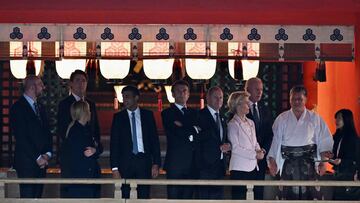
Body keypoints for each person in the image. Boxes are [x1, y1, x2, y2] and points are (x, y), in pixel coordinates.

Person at [267, 85, 334, 200]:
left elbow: (324, 140)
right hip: (288, 164)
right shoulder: (282, 118)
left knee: (311, 196)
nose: (296, 102)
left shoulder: (315, 118)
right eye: (293, 99)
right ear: (289, 99)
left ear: (305, 100)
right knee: (287, 196)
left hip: (309, 164)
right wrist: (272, 161)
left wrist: (323, 162)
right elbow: (275, 141)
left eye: (300, 99)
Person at [57, 69, 103, 197]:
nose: (80, 84)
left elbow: (96, 129)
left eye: (83, 81)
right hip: (74, 158)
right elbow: (62, 130)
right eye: (77, 80)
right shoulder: (64, 104)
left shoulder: (91, 104)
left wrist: (96, 147)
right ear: (71, 84)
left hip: (90, 157)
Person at [110, 85, 161, 199]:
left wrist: (156, 163)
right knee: (125, 196)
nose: (124, 100)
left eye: (127, 97)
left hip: (144, 162)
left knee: (144, 195)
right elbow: (114, 144)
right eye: (123, 97)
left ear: (136, 98)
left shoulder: (147, 115)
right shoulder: (118, 117)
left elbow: (154, 140)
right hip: (125, 163)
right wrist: (114, 168)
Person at [10, 75, 52, 198]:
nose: (43, 87)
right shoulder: (17, 108)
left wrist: (47, 154)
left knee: (38, 197)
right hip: (26, 163)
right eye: (40, 84)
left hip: (42, 162)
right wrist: (38, 157)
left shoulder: (41, 107)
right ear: (32, 87)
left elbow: (47, 133)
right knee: (27, 198)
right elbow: (21, 137)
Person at [162, 80, 200, 199]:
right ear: (172, 94)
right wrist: (193, 129)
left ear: (188, 94)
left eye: (184, 91)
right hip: (175, 164)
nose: (182, 93)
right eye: (178, 91)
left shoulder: (195, 113)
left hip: (192, 163)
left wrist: (184, 127)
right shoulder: (167, 113)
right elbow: (176, 132)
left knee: (188, 199)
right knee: (174, 198)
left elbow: (199, 132)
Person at [227, 91, 265, 200]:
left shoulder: (251, 122)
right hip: (239, 169)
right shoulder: (232, 124)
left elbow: (255, 142)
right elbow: (236, 148)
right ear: (238, 105)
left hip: (253, 167)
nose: (249, 105)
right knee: (239, 198)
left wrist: (259, 151)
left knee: (253, 198)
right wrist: (255, 155)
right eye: (246, 103)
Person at [60, 100, 101, 198]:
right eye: (89, 110)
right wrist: (95, 151)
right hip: (81, 180)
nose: (90, 113)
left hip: (87, 179)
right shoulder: (76, 132)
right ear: (84, 113)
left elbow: (98, 146)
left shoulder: (87, 129)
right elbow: (85, 154)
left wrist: (95, 150)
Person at [197, 86, 231, 199]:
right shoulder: (200, 115)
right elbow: (198, 140)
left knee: (218, 199)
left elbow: (223, 139)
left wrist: (228, 146)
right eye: (215, 97)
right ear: (208, 98)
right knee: (204, 199)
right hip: (204, 167)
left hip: (219, 166)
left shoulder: (222, 117)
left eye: (221, 98)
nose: (219, 100)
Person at [245, 77, 274, 199]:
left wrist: (263, 151)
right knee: (244, 192)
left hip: (261, 158)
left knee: (258, 192)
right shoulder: (241, 109)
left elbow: (269, 134)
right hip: (245, 158)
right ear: (247, 90)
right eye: (256, 89)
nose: (259, 92)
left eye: (261, 89)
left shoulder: (265, 109)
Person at [330, 109, 359, 200]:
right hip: (337, 174)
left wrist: (342, 161)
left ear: (346, 120)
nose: (336, 121)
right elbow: (335, 157)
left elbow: (356, 160)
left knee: (346, 199)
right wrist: (331, 157)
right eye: (336, 118)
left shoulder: (353, 139)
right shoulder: (336, 137)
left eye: (339, 118)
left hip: (349, 175)